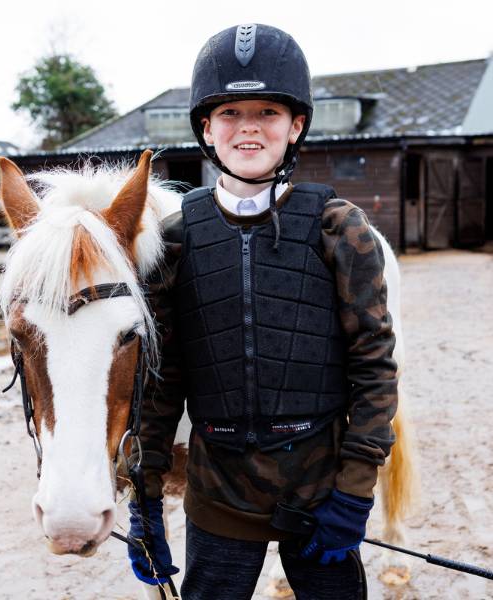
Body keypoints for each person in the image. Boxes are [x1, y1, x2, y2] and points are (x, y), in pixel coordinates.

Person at [127, 23, 398, 600]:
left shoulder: (340, 229)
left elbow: (373, 367)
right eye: (230, 112)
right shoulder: (173, 242)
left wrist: (354, 494)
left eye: (268, 112)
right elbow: (160, 381)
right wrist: (145, 497)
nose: (248, 126)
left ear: (296, 125)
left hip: (320, 495)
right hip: (217, 496)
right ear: (206, 127)